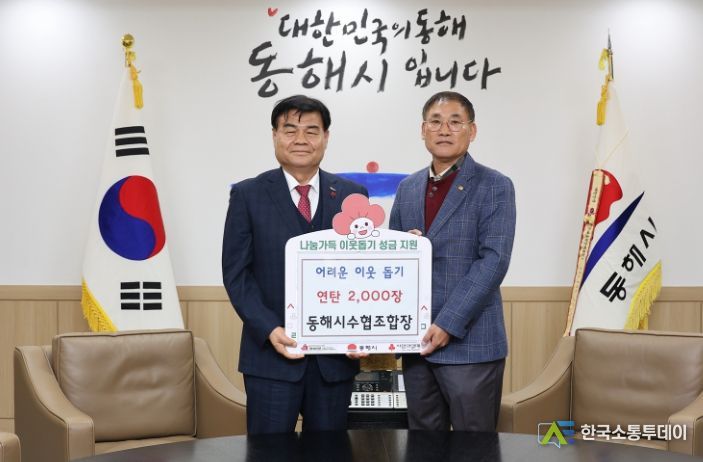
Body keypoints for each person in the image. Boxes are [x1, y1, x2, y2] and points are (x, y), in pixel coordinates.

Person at [222, 95, 368, 434]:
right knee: (269, 453)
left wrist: (362, 331)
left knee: (329, 453)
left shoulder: (352, 194)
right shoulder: (248, 195)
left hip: (335, 362)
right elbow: (237, 275)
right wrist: (269, 329)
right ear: (275, 135)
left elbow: (363, 272)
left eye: (311, 131)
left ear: (326, 137)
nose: (301, 139)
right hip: (271, 358)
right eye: (290, 130)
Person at [389, 91, 516, 431]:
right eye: (435, 121)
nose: (444, 130)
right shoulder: (407, 188)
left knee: (473, 446)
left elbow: (494, 261)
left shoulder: (495, 185)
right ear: (423, 130)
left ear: (472, 131)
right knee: (423, 443)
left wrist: (447, 323)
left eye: (455, 122)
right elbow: (392, 264)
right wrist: (403, 249)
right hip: (417, 345)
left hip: (470, 344)